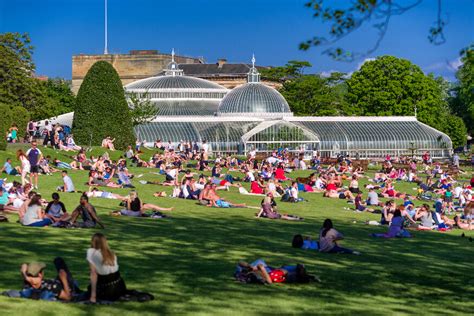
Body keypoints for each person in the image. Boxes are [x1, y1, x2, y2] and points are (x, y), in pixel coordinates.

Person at [87, 233, 126, 302]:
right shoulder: (112, 253)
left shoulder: (91, 252)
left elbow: (93, 274)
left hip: (106, 289)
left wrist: (93, 296)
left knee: (89, 288)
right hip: (120, 287)